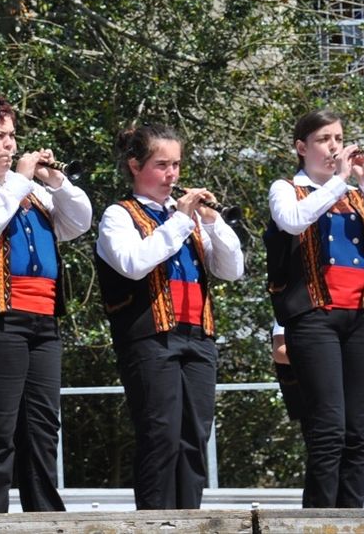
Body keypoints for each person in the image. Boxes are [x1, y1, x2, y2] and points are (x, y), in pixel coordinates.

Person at [0, 93, 92, 513]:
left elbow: (78, 221)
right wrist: (22, 179)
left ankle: (45, 517)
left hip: (42, 320)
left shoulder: (30, 192)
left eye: (12, 136)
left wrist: (56, 180)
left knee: (43, 426)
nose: (10, 145)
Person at [94, 123, 244, 510]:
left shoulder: (189, 219)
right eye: (162, 165)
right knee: (160, 433)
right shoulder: (118, 215)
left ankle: (189, 520)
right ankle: (155, 523)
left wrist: (212, 221)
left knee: (195, 437)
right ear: (134, 165)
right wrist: (180, 219)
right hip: (150, 337)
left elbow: (232, 269)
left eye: (176, 165)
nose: (172, 175)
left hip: (197, 333)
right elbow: (133, 263)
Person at [264, 109, 364, 508]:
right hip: (313, 317)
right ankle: (319, 521)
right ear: (301, 147)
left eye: (338, 137)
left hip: (360, 317)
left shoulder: (357, 194)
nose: (334, 146)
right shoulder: (287, 188)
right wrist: (340, 181)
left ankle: (353, 519)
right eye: (324, 139)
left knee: (355, 432)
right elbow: (292, 222)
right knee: (327, 427)